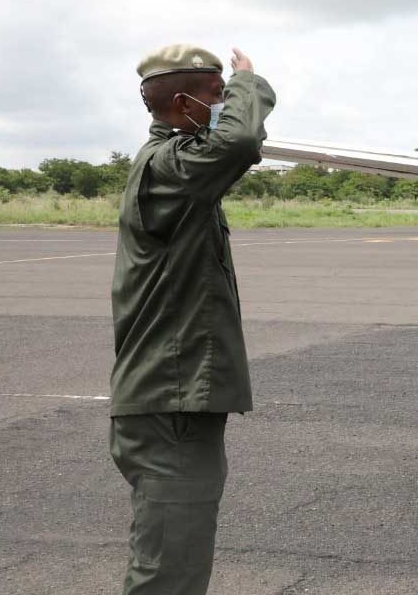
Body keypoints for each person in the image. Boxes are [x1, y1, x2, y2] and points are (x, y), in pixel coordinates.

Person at [108, 44, 276, 594]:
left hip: (177, 399)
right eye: (217, 97)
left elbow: (231, 147)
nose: (225, 105)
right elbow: (240, 142)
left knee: (177, 562)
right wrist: (249, 85)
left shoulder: (180, 172)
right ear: (184, 102)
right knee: (168, 575)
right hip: (169, 401)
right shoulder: (167, 169)